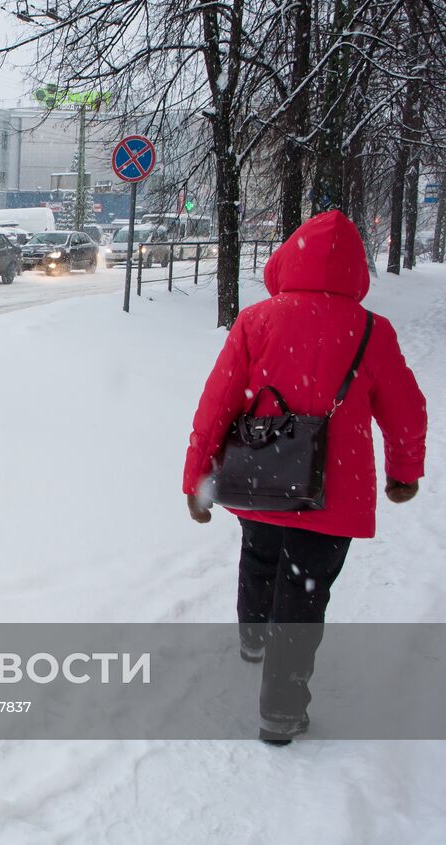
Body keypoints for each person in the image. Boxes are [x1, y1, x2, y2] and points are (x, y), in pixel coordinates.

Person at [183, 210, 427, 745]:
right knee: (304, 591)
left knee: (260, 551)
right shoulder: (371, 331)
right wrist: (403, 471)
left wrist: (196, 477)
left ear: (288, 259)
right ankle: (282, 708)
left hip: (265, 473)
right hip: (333, 489)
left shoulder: (257, 321)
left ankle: (251, 635)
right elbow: (407, 411)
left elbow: (216, 405)